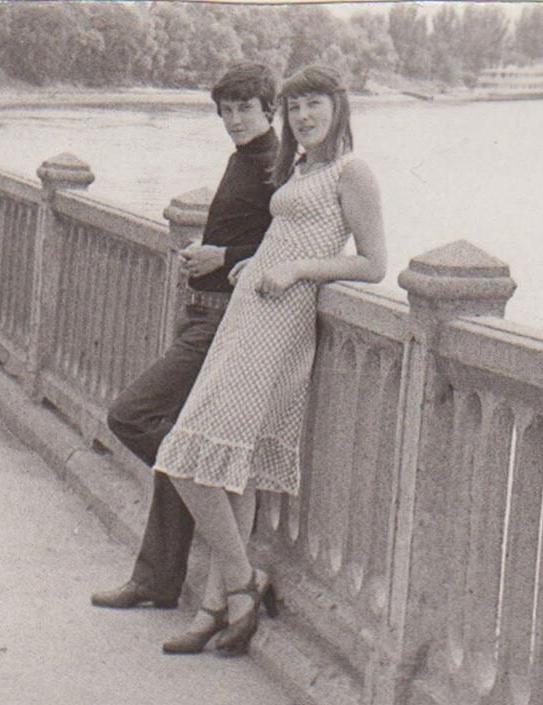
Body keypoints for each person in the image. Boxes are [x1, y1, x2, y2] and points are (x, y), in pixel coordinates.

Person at [153, 64, 388, 656]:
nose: (302, 117)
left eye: (314, 104)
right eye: (294, 107)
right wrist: (254, 262)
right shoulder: (300, 166)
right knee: (231, 465)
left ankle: (240, 587)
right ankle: (214, 608)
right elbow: (284, 235)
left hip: (282, 321)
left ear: (339, 106)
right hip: (250, 308)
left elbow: (373, 263)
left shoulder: (352, 171)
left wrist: (295, 269)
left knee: (185, 457)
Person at [90, 63, 280, 634]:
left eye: (245, 108)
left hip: (221, 322)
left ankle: (229, 561)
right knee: (175, 438)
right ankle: (157, 578)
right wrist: (212, 250)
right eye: (227, 110)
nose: (234, 120)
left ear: (269, 109)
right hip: (203, 312)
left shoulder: (274, 162)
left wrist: (223, 256)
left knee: (133, 416)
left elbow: (291, 242)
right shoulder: (245, 158)